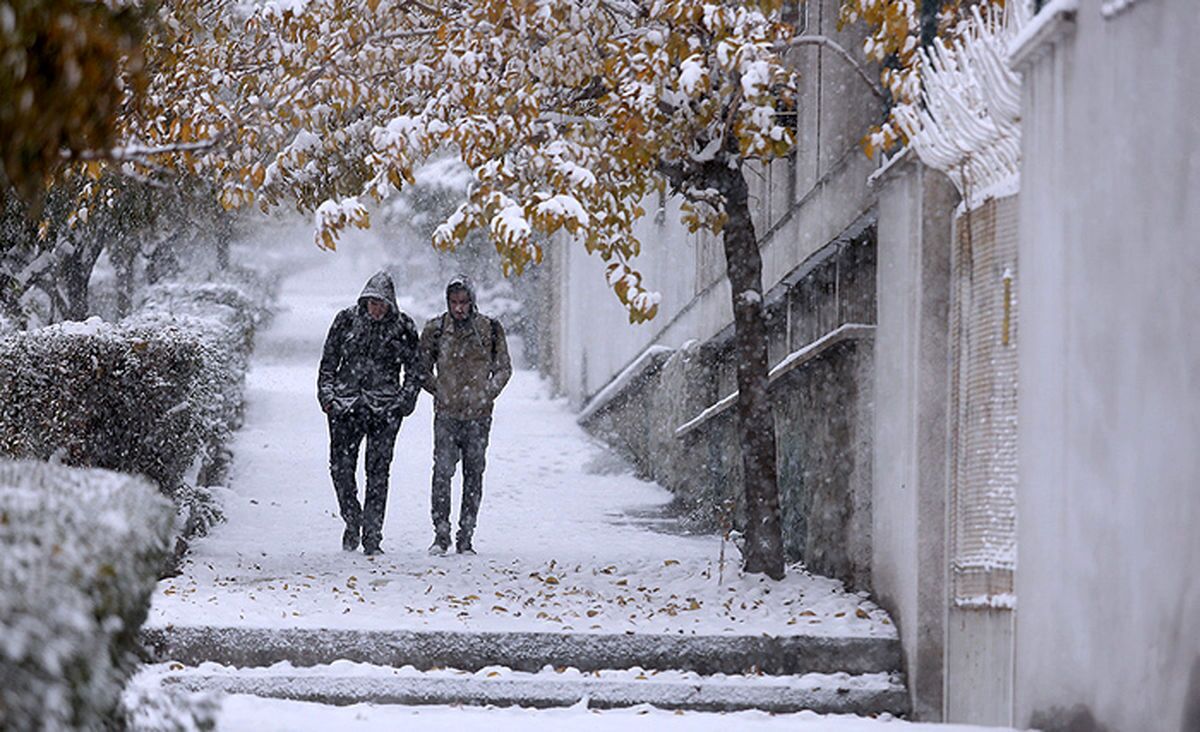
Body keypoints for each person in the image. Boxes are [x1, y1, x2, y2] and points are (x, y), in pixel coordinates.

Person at [317, 270, 420, 556]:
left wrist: (403, 402)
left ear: (390, 304)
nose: (376, 309)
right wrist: (328, 397)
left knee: (378, 473)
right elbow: (328, 361)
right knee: (341, 470)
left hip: (384, 409)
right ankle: (353, 519)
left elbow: (415, 370)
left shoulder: (403, 326)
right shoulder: (345, 320)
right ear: (365, 301)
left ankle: (372, 535)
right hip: (345, 407)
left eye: (382, 304)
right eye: (372, 303)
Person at [417, 274, 512, 555]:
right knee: (442, 473)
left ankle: (466, 534)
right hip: (447, 414)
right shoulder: (436, 329)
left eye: (463, 302)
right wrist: (440, 390)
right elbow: (421, 368)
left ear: (472, 302)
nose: (458, 308)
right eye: (454, 302)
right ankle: (441, 533)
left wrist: (487, 392)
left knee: (474, 475)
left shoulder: (489, 330)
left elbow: (504, 367)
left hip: (478, 416)